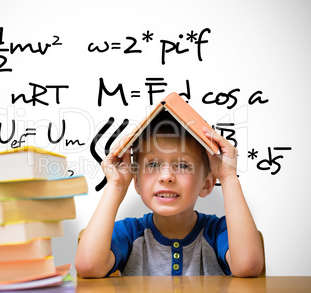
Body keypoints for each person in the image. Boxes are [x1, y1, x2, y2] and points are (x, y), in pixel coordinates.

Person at [75, 111, 264, 277]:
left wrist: (228, 177)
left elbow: (248, 266)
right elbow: (88, 267)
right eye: (153, 164)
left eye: (182, 165)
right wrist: (115, 186)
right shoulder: (130, 233)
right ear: (137, 183)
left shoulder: (219, 232)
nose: (166, 176)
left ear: (206, 184)